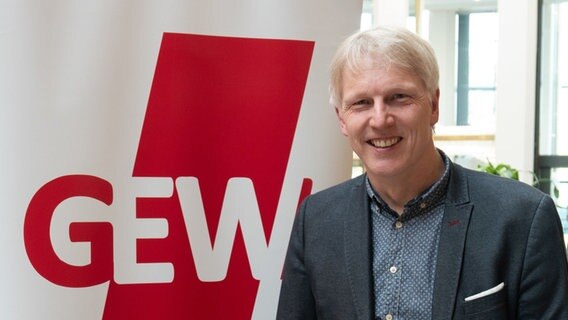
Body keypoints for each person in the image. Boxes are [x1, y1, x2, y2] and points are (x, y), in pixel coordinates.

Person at [276, 26, 568, 320]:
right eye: (361, 103)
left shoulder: (522, 218)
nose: (380, 119)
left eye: (399, 97)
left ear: (434, 106)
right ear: (342, 119)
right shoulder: (316, 221)